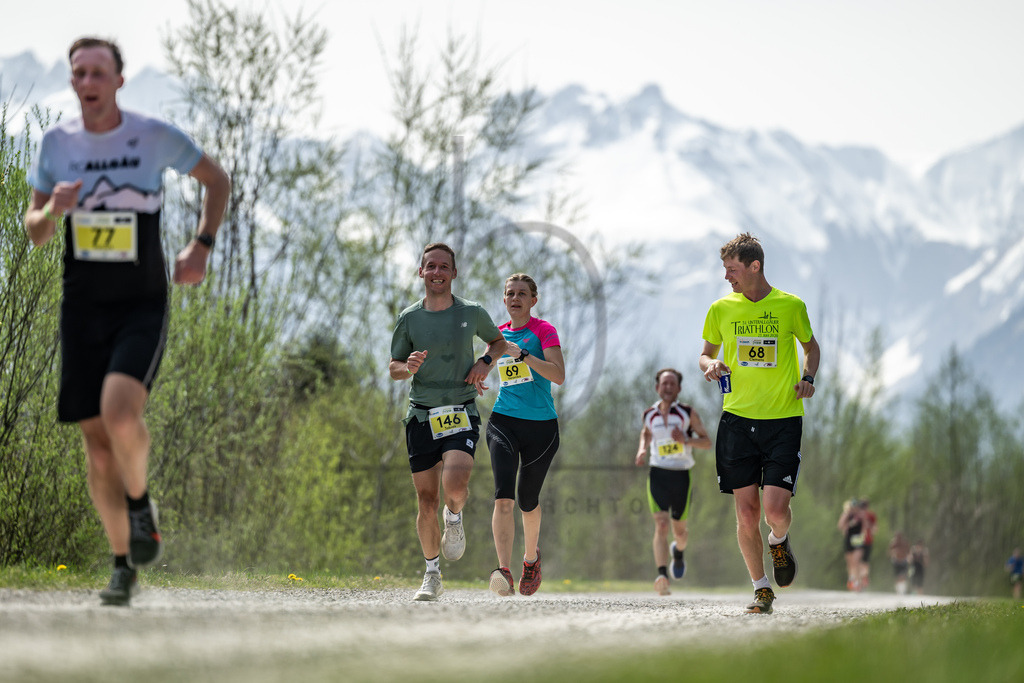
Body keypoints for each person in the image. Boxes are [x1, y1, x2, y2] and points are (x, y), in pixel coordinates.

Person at [24, 37, 229, 607]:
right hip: (81, 304)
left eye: (97, 72)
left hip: (141, 301)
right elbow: (34, 228)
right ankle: (122, 565)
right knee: (96, 445)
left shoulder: (151, 134)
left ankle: (140, 505)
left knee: (120, 413)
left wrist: (201, 246)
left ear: (118, 80)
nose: (86, 82)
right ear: (72, 83)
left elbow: (217, 180)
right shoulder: (56, 142)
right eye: (78, 73)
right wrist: (50, 211)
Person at [698, 232, 820, 615]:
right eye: (724, 270)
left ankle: (779, 540)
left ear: (755, 266)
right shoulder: (721, 309)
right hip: (736, 420)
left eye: (732, 269)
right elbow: (704, 355)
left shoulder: (790, 305)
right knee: (746, 513)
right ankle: (761, 588)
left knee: (775, 511)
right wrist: (711, 365)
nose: (727, 277)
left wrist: (808, 377)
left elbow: (811, 347)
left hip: (783, 419)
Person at [389, 242, 507, 601]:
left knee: (455, 485)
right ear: (420, 272)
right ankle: (431, 574)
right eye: (430, 266)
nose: (437, 272)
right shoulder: (409, 318)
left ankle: (453, 518)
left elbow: (498, 342)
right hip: (422, 415)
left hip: (460, 409)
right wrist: (406, 366)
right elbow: (393, 367)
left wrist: (484, 363)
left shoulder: (471, 312)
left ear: (453, 274)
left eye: (444, 267)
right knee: (426, 500)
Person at [485, 274, 565, 597]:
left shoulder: (544, 332)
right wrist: (476, 377)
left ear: (534, 300)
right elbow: (484, 365)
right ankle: (503, 570)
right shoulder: (498, 335)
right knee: (503, 495)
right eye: (510, 293)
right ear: (504, 300)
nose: (515, 298)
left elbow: (558, 375)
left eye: (522, 294)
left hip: (541, 427)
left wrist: (524, 356)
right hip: (503, 421)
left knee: (526, 500)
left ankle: (530, 560)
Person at [634, 368, 711, 596]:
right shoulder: (649, 413)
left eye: (672, 384)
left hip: (681, 476)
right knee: (661, 524)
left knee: (680, 533)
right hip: (658, 473)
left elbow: (707, 442)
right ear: (657, 387)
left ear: (678, 388)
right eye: (664, 383)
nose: (668, 387)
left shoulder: (688, 414)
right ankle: (661, 576)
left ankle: (677, 552)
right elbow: (646, 433)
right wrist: (641, 450)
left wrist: (686, 440)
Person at [837, 498, 865, 591]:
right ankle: (852, 579)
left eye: (855, 507)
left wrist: (863, 535)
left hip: (858, 539)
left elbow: (864, 526)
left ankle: (857, 582)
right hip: (849, 539)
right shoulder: (847, 514)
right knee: (850, 562)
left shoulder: (860, 515)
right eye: (852, 507)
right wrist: (849, 523)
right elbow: (840, 526)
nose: (854, 508)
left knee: (856, 560)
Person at [857, 498, 878, 590]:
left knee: (858, 561)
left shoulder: (857, 515)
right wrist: (871, 531)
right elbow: (875, 529)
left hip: (857, 540)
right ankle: (864, 578)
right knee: (865, 561)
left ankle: (859, 581)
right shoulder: (871, 515)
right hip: (868, 540)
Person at [888, 531, 911, 595]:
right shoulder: (893, 543)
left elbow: (908, 551)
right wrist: (893, 553)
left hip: (904, 561)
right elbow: (889, 552)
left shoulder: (905, 542)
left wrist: (909, 558)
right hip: (896, 561)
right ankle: (898, 590)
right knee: (897, 576)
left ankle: (903, 590)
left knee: (903, 575)